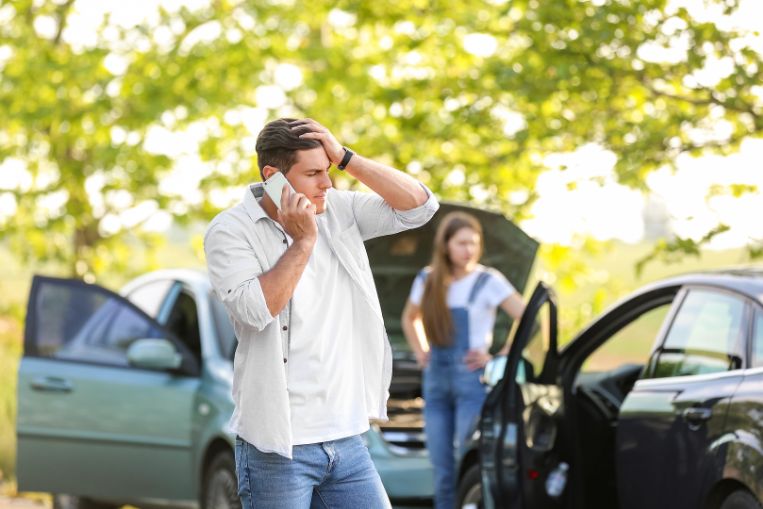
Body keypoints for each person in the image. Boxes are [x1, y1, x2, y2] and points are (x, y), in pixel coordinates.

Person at [204, 118, 438, 509]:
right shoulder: (230, 230)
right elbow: (256, 310)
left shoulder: (339, 209)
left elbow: (420, 207)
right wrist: (304, 240)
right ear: (273, 176)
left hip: (347, 440)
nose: (326, 184)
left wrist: (346, 158)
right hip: (278, 448)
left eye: (327, 171)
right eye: (313, 173)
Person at [401, 211, 525, 509]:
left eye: (474, 243)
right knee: (441, 466)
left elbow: (527, 317)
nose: (469, 250)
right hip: (436, 383)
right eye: (462, 243)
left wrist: (500, 354)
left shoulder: (488, 281)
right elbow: (409, 318)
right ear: (445, 245)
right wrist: (421, 351)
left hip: (473, 383)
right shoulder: (428, 279)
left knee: (466, 460)